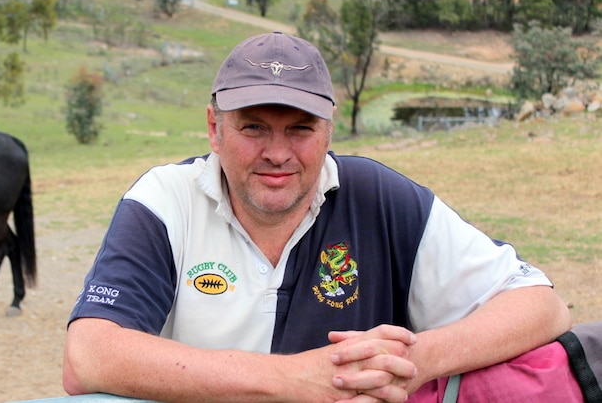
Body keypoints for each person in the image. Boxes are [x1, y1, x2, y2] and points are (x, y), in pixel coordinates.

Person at [62, 31, 576, 402]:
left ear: (329, 133)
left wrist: (419, 359)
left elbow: (541, 305)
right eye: (254, 128)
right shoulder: (165, 200)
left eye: (301, 129)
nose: (278, 153)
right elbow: (87, 357)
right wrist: (293, 380)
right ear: (214, 129)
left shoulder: (378, 196)